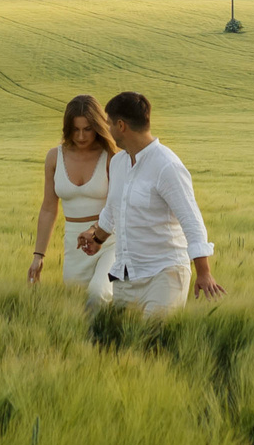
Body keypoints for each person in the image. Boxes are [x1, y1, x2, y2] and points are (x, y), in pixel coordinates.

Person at [78, 90, 223, 316]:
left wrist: (204, 273)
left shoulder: (167, 167)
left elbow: (192, 221)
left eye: (109, 124)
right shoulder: (118, 163)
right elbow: (113, 211)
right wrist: (96, 238)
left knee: (153, 342)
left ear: (121, 126)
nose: (107, 129)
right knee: (126, 345)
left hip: (164, 275)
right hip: (126, 276)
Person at [29, 95, 116, 304]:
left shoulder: (111, 156)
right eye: (75, 129)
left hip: (110, 240)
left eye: (87, 129)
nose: (81, 136)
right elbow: (49, 209)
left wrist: (96, 232)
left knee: (98, 293)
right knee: (77, 302)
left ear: (98, 126)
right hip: (75, 243)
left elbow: (116, 205)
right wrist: (38, 255)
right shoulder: (54, 157)